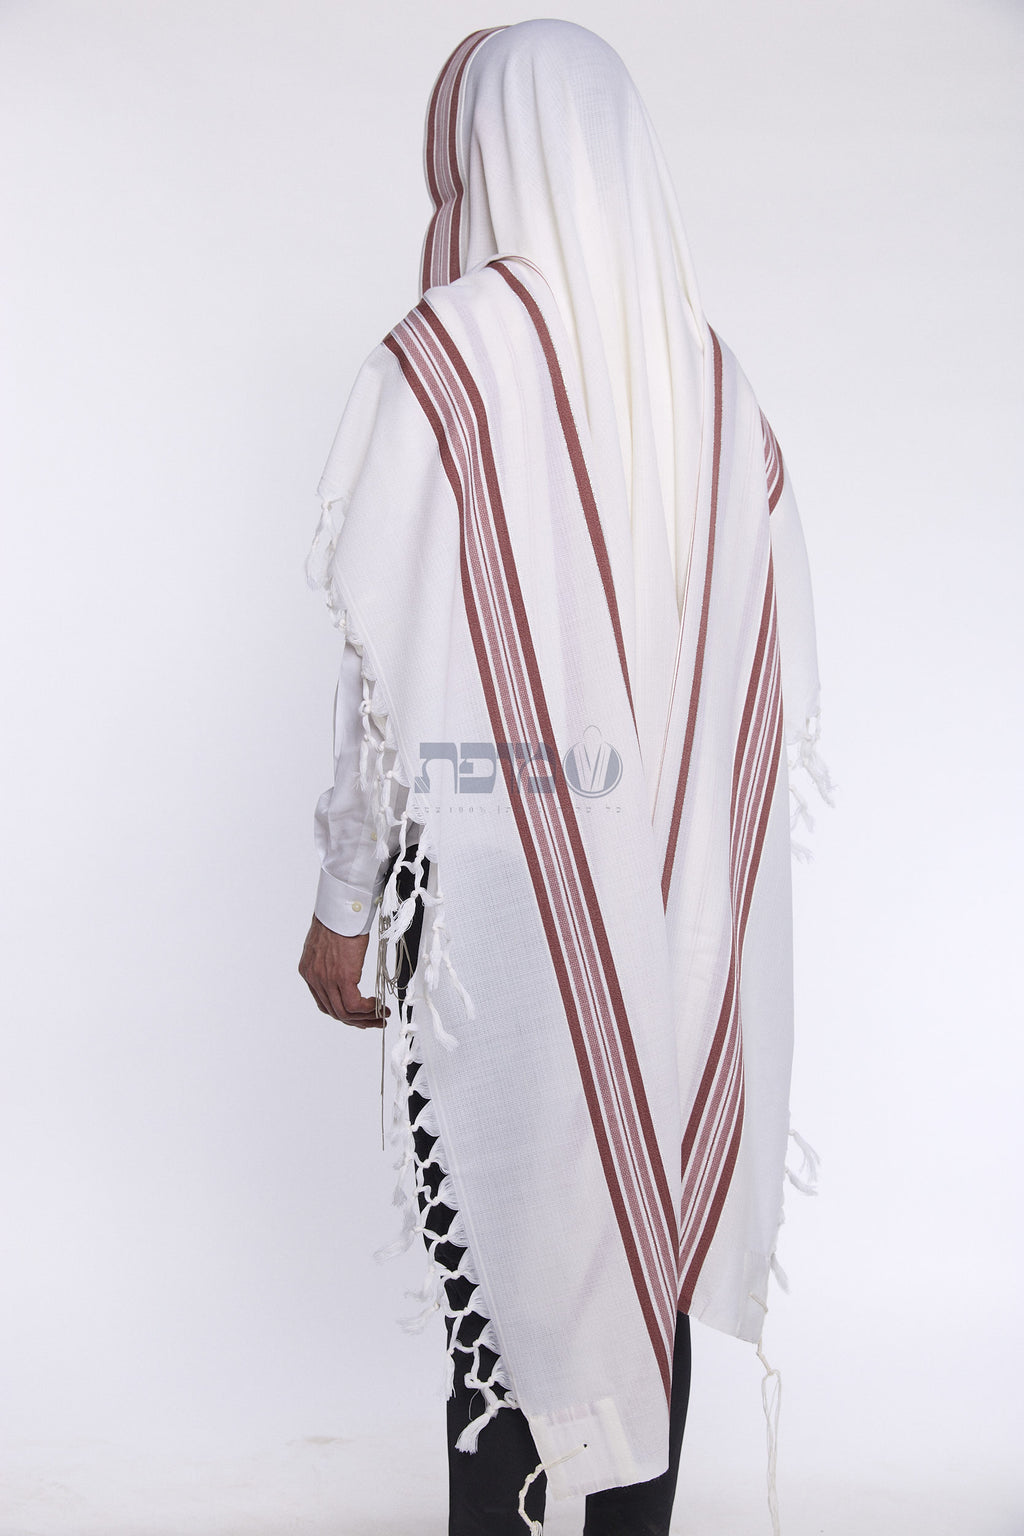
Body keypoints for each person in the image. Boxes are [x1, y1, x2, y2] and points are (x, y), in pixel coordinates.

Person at [298, 20, 828, 1535]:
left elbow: (389, 673)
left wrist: (346, 898)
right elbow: (765, 684)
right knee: (640, 1228)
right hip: (677, 910)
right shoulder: (719, 385)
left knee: (511, 1261)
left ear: (493, 150)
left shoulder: (451, 360)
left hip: (488, 908)